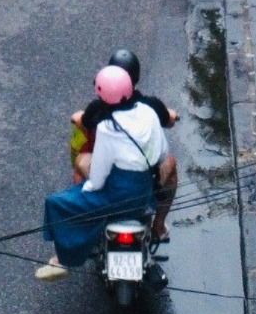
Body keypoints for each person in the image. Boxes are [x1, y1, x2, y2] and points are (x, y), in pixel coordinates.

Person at [36, 66, 168, 281]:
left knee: (57, 203)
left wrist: (86, 189)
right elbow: (162, 152)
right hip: (144, 191)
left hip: (116, 194)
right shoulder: (149, 113)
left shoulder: (108, 127)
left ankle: (63, 259)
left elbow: (98, 177)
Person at [72, 49, 180, 239]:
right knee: (170, 163)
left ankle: (86, 223)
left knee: (81, 160)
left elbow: (84, 122)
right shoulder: (150, 107)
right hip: (144, 184)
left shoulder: (98, 111)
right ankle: (159, 225)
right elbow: (168, 121)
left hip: (109, 183)